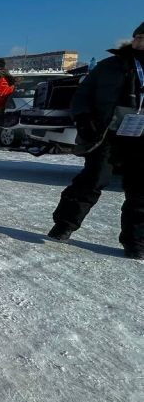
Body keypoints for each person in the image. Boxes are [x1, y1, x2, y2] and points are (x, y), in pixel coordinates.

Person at [47, 23, 144, 259]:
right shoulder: (109, 66)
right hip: (107, 134)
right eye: (138, 37)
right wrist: (83, 119)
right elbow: (82, 95)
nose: (141, 42)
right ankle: (64, 226)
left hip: (141, 138)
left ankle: (136, 242)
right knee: (93, 180)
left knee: (140, 191)